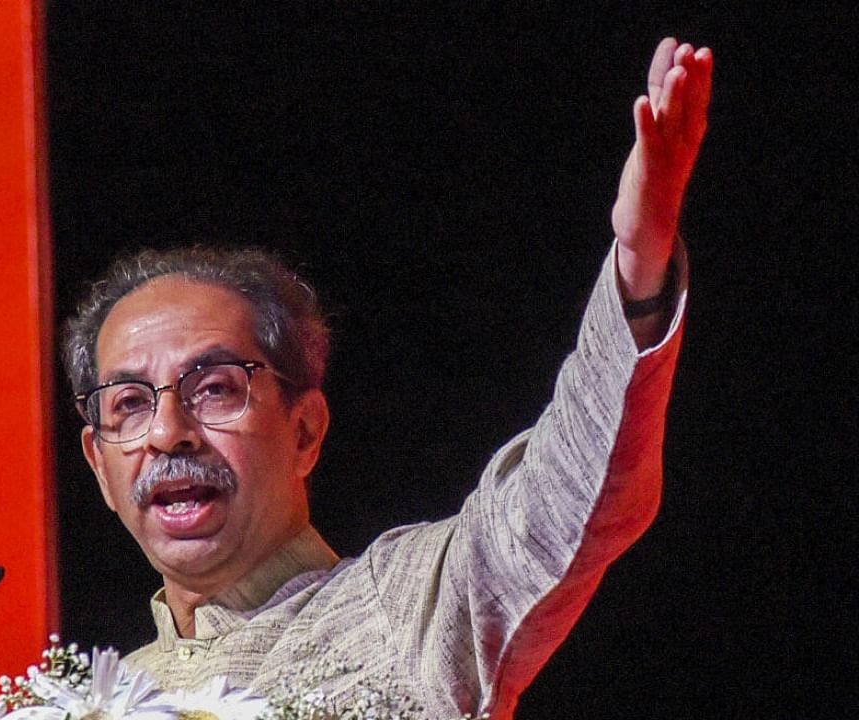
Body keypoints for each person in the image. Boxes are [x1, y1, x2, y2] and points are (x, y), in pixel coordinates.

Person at [61, 38, 712, 719]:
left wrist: (638, 274)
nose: (169, 432)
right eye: (129, 403)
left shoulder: (406, 606)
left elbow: (564, 502)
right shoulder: (91, 704)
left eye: (215, 388)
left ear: (305, 429)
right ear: (98, 465)